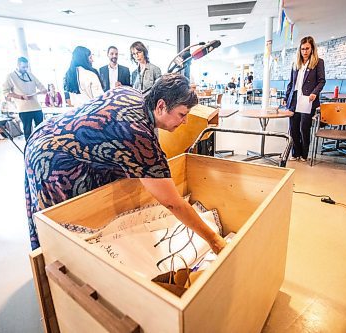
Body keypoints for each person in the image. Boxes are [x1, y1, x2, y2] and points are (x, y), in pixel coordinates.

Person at [24, 73, 226, 254]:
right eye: (182, 114)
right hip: (52, 157)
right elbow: (173, 203)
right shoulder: (137, 134)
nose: (185, 122)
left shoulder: (133, 94)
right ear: (161, 105)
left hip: (47, 134)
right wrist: (214, 240)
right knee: (64, 226)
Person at [283, 36, 325, 162]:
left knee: (304, 128)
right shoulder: (295, 63)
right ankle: (295, 153)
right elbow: (291, 83)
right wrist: (286, 96)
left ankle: (304, 154)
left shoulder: (318, 62)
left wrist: (314, 93)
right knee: (293, 128)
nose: (305, 51)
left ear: (312, 49)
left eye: (307, 49)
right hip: (294, 98)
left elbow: (321, 81)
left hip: (308, 99)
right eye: (302, 49)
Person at [3, 57, 47, 140]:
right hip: (24, 109)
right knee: (27, 131)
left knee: (41, 129)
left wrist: (43, 90)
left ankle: (41, 145)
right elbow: (6, 93)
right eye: (23, 67)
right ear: (18, 65)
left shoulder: (30, 74)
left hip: (36, 107)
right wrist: (21, 97)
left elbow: (40, 85)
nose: (25, 69)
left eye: (27, 66)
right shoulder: (10, 76)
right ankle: (29, 148)